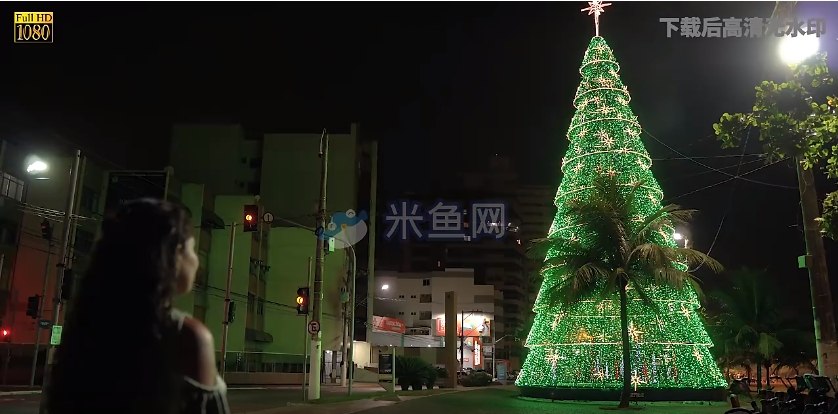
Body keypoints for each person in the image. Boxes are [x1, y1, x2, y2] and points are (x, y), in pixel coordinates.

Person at [46, 199, 230, 414]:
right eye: (192, 249)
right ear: (174, 254)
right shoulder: (187, 336)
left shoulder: (87, 326)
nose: (196, 260)